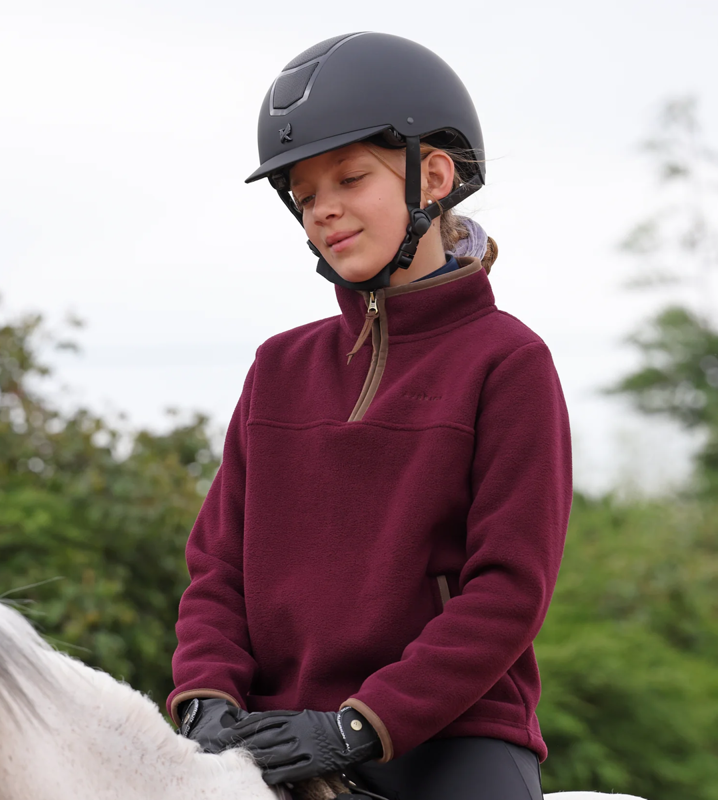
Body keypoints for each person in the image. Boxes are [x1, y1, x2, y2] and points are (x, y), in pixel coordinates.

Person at [168, 32, 572, 800]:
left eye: (350, 178)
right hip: (275, 738)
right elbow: (218, 570)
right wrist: (208, 700)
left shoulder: (509, 363)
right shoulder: (277, 368)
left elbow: (508, 589)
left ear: (434, 176)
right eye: (303, 192)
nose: (324, 210)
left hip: (449, 742)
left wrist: (358, 725)